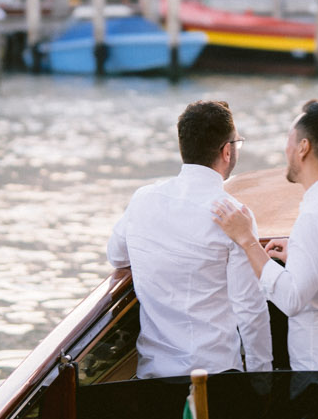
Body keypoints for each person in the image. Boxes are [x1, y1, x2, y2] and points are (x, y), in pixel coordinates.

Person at [212, 100, 318, 371]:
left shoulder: (316, 216)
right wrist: (306, 257)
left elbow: (291, 300)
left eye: (289, 140)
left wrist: (247, 241)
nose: (286, 149)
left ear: (304, 147)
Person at [107, 99, 273, 378]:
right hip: (215, 376)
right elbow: (250, 308)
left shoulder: (144, 199)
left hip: (153, 377)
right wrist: (262, 377)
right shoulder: (235, 215)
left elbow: (117, 256)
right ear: (227, 151)